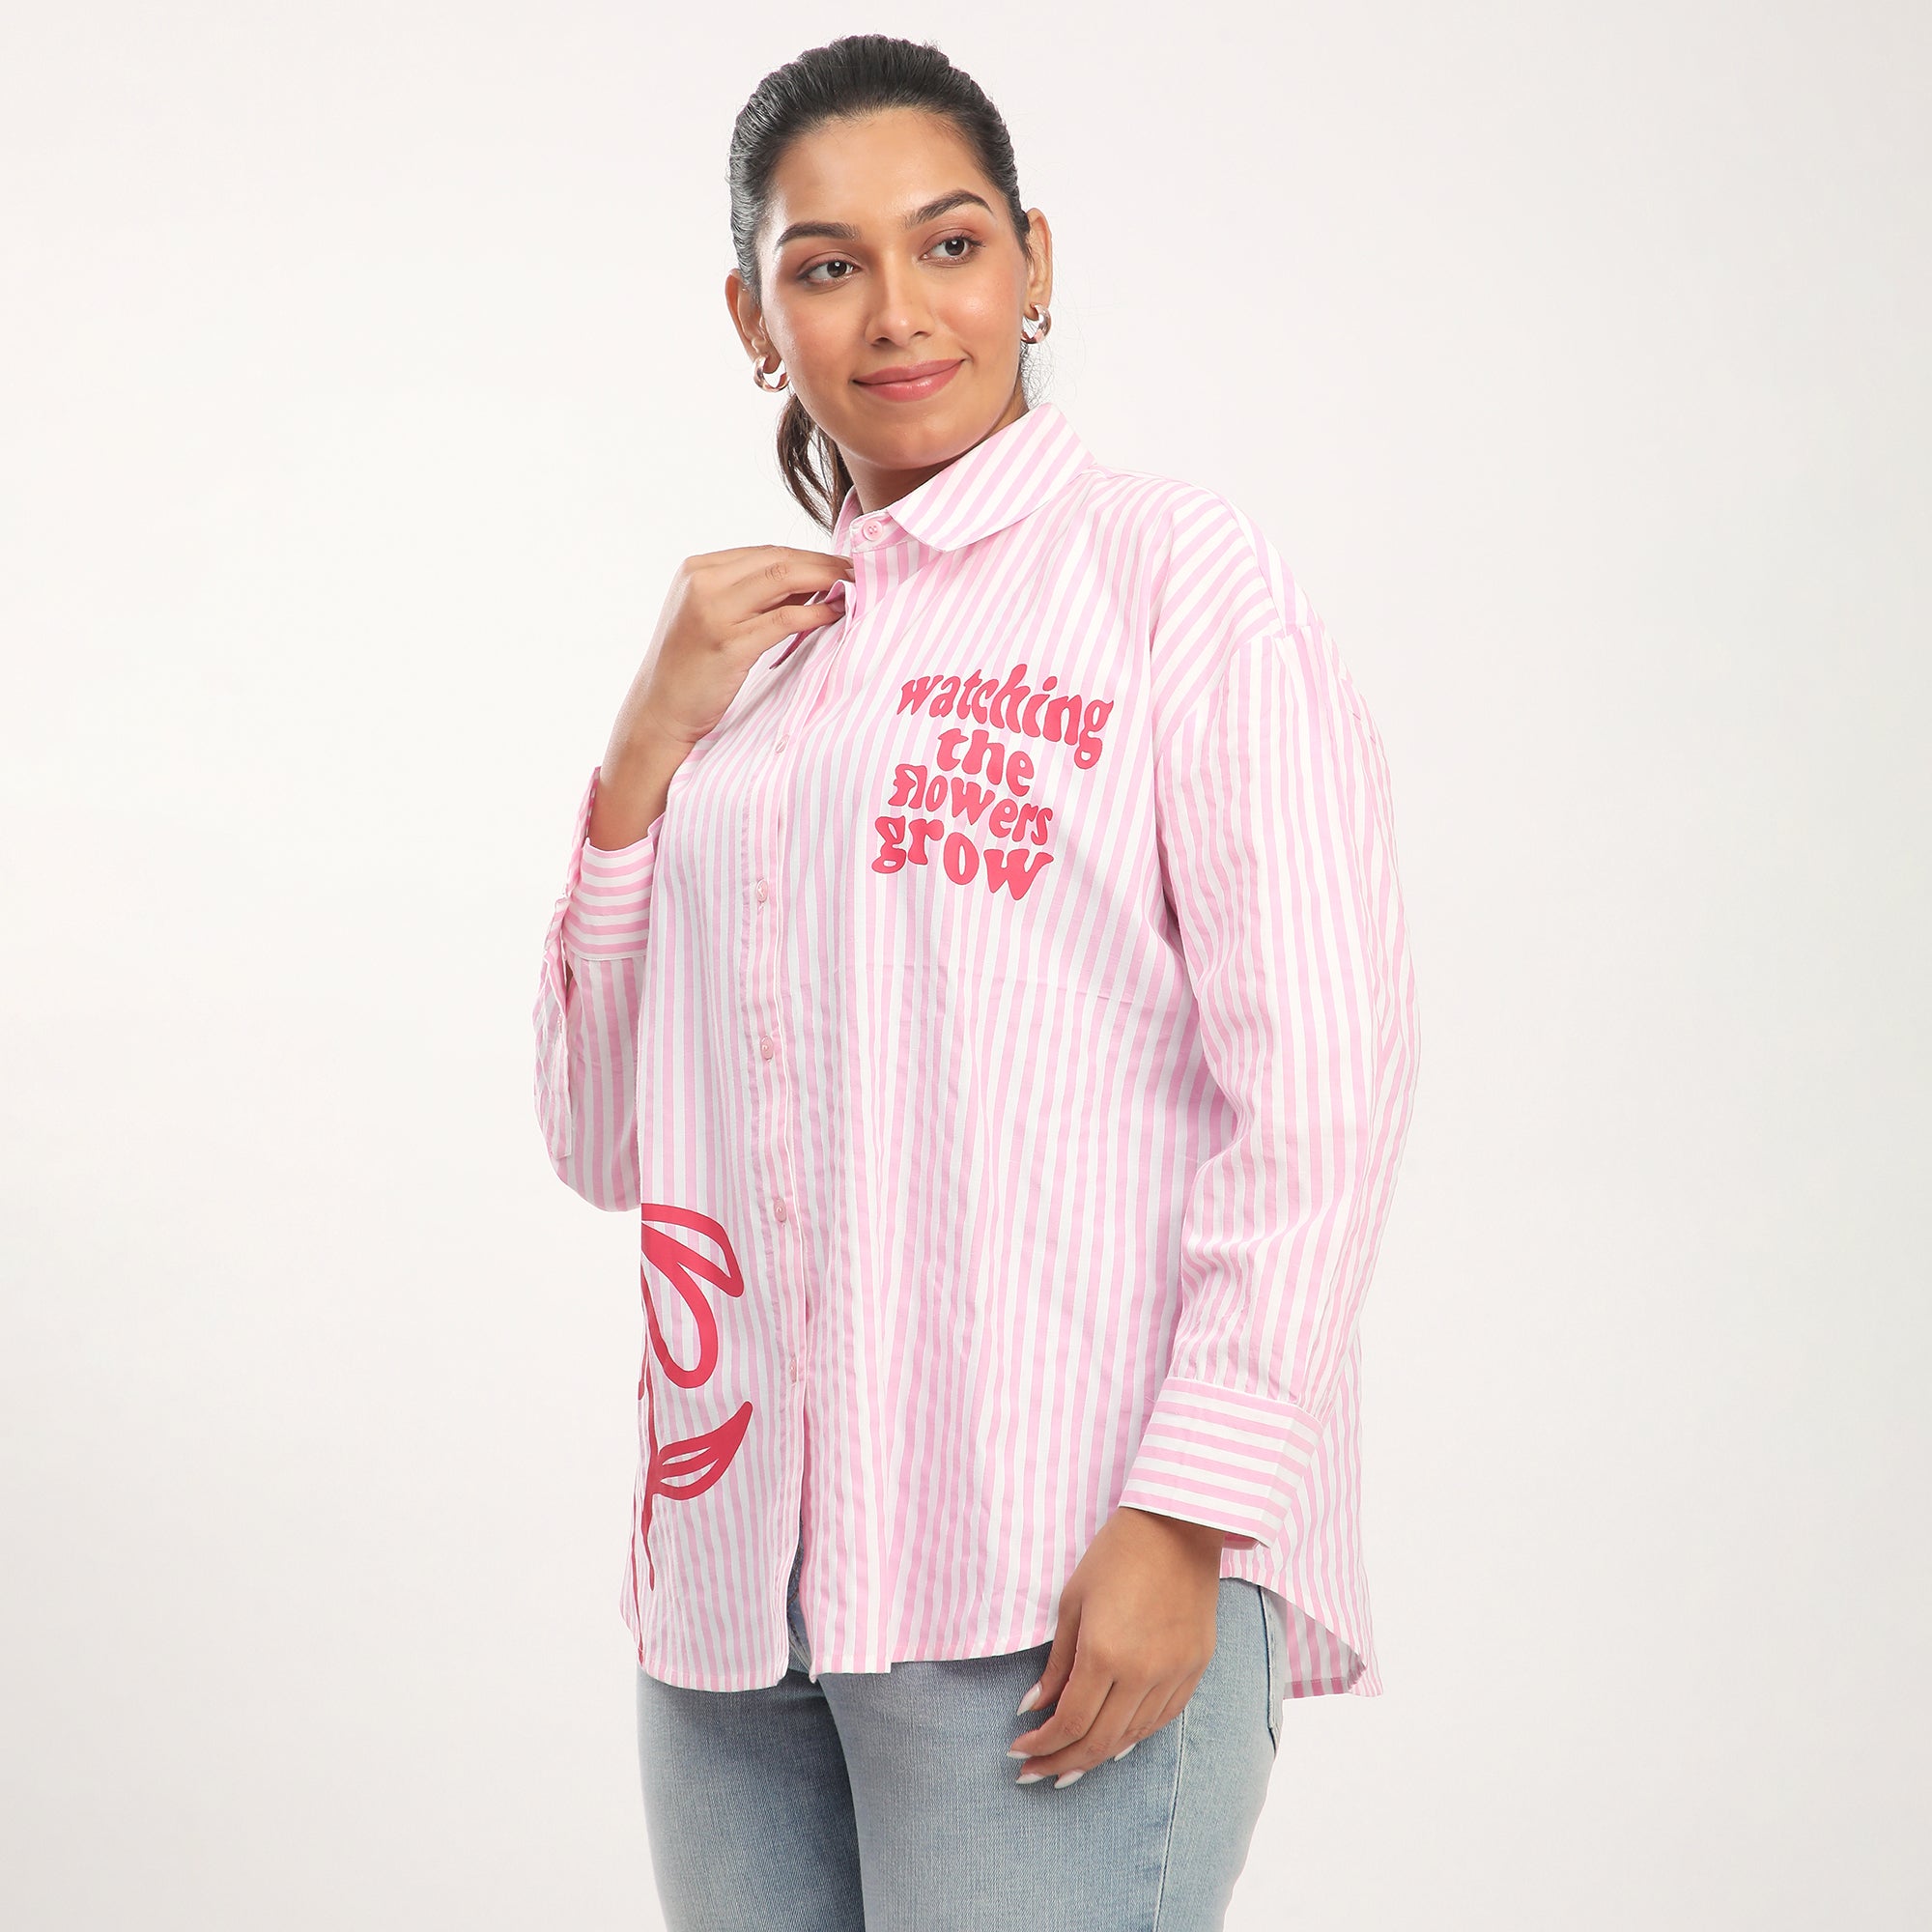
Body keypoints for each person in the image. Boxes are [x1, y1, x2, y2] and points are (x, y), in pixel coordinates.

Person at [531, 33, 1421, 1932]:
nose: (896, 310)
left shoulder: (1173, 576)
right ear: (753, 315)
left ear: (1028, 257)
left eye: (945, 245)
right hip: (730, 1598)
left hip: (1052, 1561)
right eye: (826, 265)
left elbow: (1324, 1088)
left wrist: (1190, 1512)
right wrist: (638, 758)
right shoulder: (753, 676)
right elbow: (602, 1132)